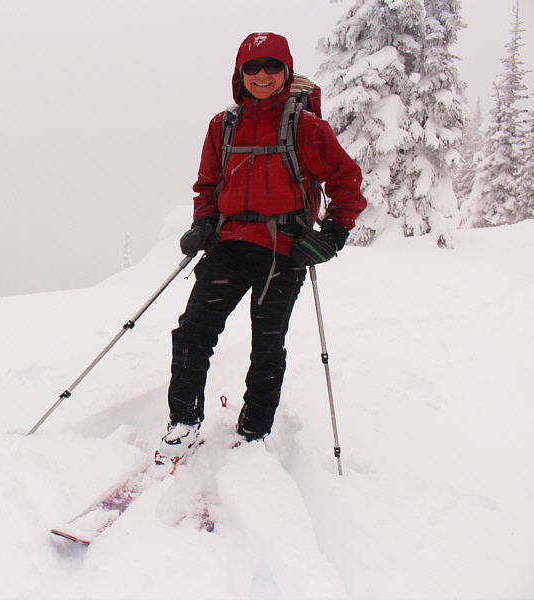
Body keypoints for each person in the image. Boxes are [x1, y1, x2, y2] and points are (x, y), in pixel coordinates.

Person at [156, 32, 367, 464]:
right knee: (192, 333)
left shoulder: (307, 127)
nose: (262, 75)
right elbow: (208, 185)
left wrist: (331, 235)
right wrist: (202, 224)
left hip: (283, 252)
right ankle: (183, 422)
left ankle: (254, 430)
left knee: (267, 344)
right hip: (229, 247)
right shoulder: (222, 125)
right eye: (252, 67)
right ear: (240, 75)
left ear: (286, 72)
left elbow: (347, 183)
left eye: (273, 66)